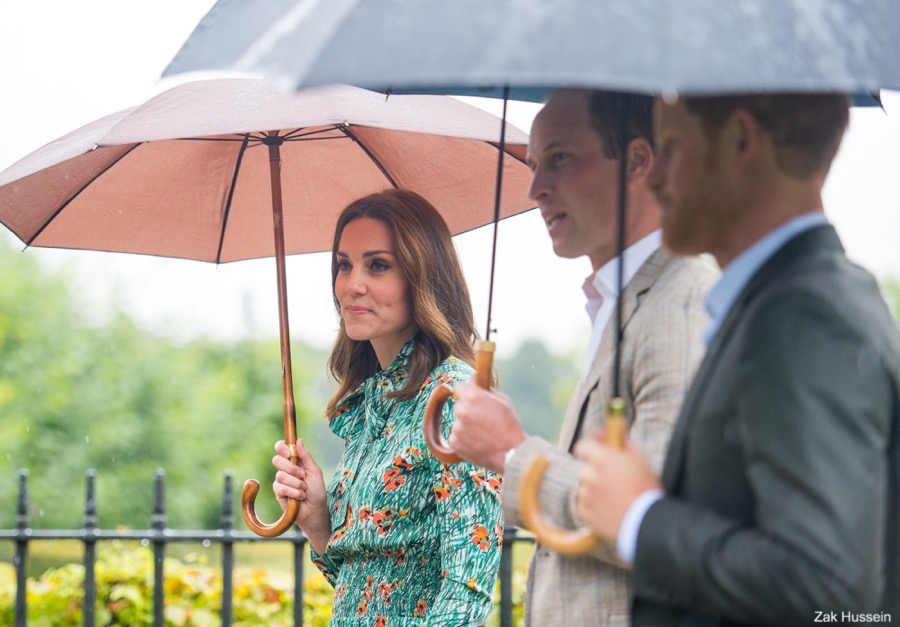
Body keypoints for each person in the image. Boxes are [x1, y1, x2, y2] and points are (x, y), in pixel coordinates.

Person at [574, 93, 900, 625]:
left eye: (673, 148)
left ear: (741, 141)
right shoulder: (787, 303)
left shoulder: (804, 317)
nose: (654, 180)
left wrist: (641, 516)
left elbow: (827, 591)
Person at [447, 89, 719, 626]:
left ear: (639, 161)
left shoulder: (682, 301)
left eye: (561, 158)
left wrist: (511, 453)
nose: (534, 188)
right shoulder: (619, 303)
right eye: (531, 165)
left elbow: (666, 528)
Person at [271, 189, 503, 626]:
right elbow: (363, 589)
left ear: (422, 276)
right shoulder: (372, 405)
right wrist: (318, 520)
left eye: (378, 265)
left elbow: (467, 591)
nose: (352, 284)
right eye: (344, 264)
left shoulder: (453, 400)